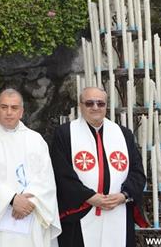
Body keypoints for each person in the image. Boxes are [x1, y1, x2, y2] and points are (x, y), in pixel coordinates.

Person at [50, 87, 146, 247]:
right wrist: (90, 197)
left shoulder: (124, 134)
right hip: (81, 211)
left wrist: (124, 195)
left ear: (106, 106)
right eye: (89, 103)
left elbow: (137, 172)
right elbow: (61, 173)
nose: (95, 107)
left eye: (100, 103)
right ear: (80, 106)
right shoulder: (65, 134)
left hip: (118, 210)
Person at [0, 89, 61, 247]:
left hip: (31, 216)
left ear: (22, 111)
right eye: (4, 107)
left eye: (14, 108)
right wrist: (11, 199)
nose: (9, 112)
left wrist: (28, 202)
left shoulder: (36, 140)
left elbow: (46, 178)